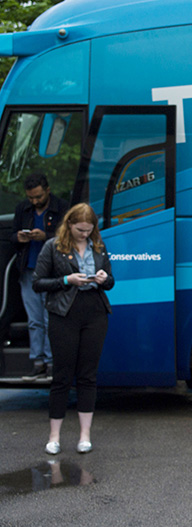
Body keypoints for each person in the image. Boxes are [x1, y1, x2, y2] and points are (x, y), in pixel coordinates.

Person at [33, 203, 114, 455]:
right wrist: (67, 280)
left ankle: (84, 436)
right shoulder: (53, 247)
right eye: (80, 230)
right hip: (64, 313)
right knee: (62, 375)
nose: (84, 234)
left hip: (95, 311)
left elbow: (111, 281)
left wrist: (103, 278)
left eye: (89, 230)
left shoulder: (98, 247)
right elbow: (37, 283)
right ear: (69, 224)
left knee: (88, 375)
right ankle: (54, 436)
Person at [10, 172, 70, 381]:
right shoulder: (22, 209)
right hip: (28, 268)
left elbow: (69, 237)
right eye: (31, 198)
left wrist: (47, 237)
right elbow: (12, 236)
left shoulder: (61, 207)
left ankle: (52, 361)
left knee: (49, 318)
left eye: (38, 197)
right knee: (34, 319)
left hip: (52, 271)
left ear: (47, 191)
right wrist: (18, 237)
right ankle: (38, 361)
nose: (34, 201)